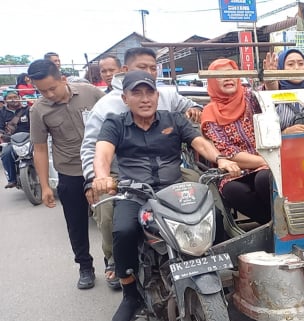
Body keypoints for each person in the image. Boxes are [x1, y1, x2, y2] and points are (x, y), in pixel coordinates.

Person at [90, 70, 242, 321]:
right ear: (125, 98)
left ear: (157, 96)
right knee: (123, 230)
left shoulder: (173, 119)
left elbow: (199, 142)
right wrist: (101, 176)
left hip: (174, 190)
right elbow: (103, 154)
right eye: (136, 93)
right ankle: (129, 294)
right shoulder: (115, 123)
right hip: (135, 193)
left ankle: (220, 275)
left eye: (149, 92)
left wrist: (220, 159)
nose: (144, 98)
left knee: (214, 218)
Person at [80, 47, 202, 289]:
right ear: (126, 72)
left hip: (168, 168)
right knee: (112, 219)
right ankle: (117, 263)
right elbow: (94, 149)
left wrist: (195, 111)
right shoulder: (107, 108)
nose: (148, 73)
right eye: (141, 68)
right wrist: (96, 178)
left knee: (207, 197)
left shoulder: (167, 95)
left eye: (152, 68)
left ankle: (207, 257)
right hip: (120, 174)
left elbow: (193, 112)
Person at [27, 59, 105, 289]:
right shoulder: (38, 110)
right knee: (76, 223)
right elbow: (40, 149)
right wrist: (45, 187)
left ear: (62, 79)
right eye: (42, 91)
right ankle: (85, 267)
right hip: (70, 172)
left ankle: (114, 264)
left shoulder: (91, 93)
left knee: (111, 218)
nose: (48, 94)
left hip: (103, 167)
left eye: (52, 88)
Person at [201, 59, 272, 224]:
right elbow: (226, 151)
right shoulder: (210, 112)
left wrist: (269, 77)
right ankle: (270, 224)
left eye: (231, 74)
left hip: (265, 163)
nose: (228, 78)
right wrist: (267, 161)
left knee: (263, 179)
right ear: (212, 81)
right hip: (235, 170)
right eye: (220, 75)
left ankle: (281, 223)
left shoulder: (250, 97)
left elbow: (270, 95)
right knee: (232, 190)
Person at [1, 90, 31, 188]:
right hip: (11, 141)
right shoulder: (1, 113)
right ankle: (12, 179)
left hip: (29, 139)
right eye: (10, 98)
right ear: (5, 100)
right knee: (5, 153)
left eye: (15, 96)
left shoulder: (28, 109)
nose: (13, 99)